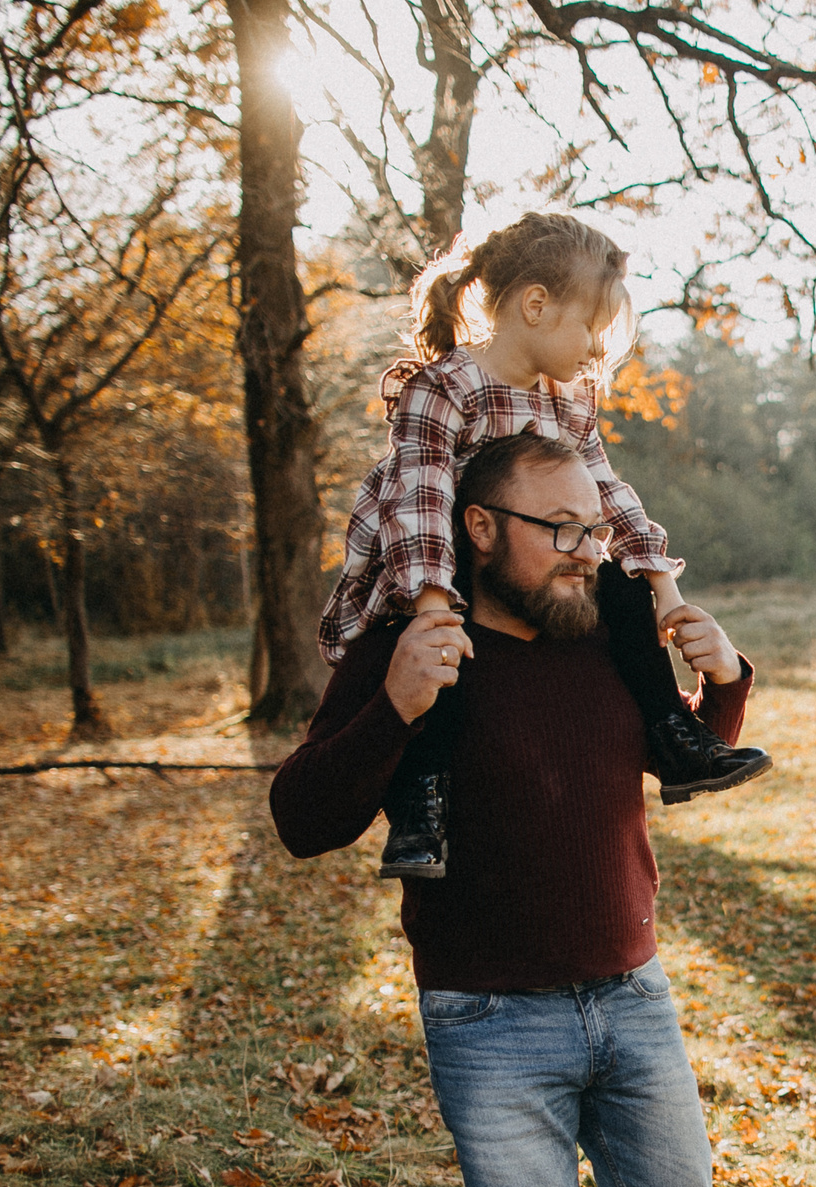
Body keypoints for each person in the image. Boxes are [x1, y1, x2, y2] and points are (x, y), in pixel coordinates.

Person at [272, 431, 752, 1187]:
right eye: (560, 532)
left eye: (594, 528)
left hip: (629, 995)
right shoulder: (414, 645)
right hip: (488, 1020)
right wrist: (390, 707)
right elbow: (302, 815)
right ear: (477, 529)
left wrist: (724, 681)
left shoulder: (606, 632)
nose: (587, 552)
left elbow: (679, 762)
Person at [320, 211, 770, 882]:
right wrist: (433, 606)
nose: (596, 348)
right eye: (590, 326)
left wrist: (660, 586)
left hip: (517, 561)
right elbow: (419, 502)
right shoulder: (443, 388)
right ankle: (422, 798)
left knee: (616, 595)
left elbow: (607, 494)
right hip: (433, 564)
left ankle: (675, 740)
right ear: (536, 304)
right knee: (445, 660)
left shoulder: (566, 401)